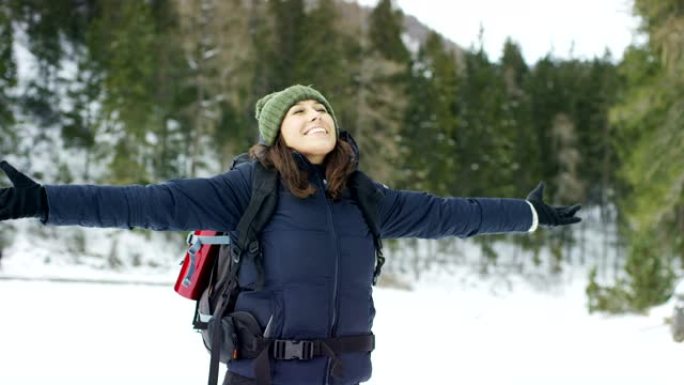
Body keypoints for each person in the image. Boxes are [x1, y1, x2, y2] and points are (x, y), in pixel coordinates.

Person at [0, 84, 581, 385]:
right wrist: (43, 201)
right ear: (277, 134)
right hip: (263, 376)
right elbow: (146, 202)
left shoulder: (365, 197)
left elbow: (452, 214)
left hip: (342, 376)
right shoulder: (247, 188)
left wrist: (526, 215)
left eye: (321, 110)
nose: (314, 117)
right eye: (298, 112)